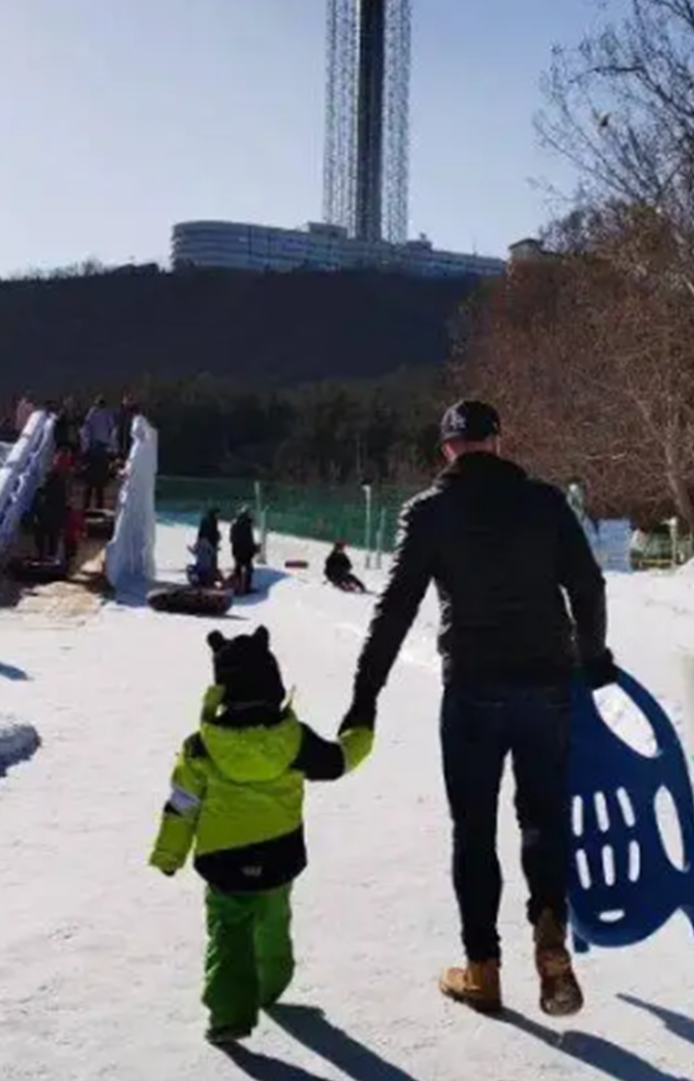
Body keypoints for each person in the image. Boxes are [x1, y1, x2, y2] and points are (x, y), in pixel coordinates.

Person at [342, 399, 613, 1018]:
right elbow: (588, 585)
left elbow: (394, 610)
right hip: (546, 687)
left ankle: (482, 969)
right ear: (498, 442)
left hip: (472, 691)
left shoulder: (432, 513)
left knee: (474, 831)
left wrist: (365, 699)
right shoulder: (544, 503)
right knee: (543, 817)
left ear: (447, 450)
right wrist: (591, 658)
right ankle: (549, 933)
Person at [148, 626, 373, 1044]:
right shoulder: (294, 741)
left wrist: (168, 855)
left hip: (224, 862)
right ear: (273, 684)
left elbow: (181, 805)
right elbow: (340, 761)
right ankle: (270, 986)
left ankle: (230, 1014)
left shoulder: (200, 748)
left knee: (228, 933)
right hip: (279, 855)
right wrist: (363, 729)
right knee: (272, 922)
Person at [81, 396, 117, 510]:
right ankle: (99, 509)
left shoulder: (92, 413)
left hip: (93, 449)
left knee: (90, 482)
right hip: (102, 450)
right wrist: (112, 449)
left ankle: (86, 508)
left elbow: (85, 430)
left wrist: (85, 447)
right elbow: (112, 431)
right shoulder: (107, 413)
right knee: (100, 483)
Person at [228, 508, 258, 594]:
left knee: (238, 569)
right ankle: (246, 588)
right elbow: (248, 540)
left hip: (236, 551)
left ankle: (237, 587)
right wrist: (253, 548)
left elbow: (231, 539)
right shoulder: (247, 524)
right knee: (249, 570)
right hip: (246, 552)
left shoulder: (234, 523)